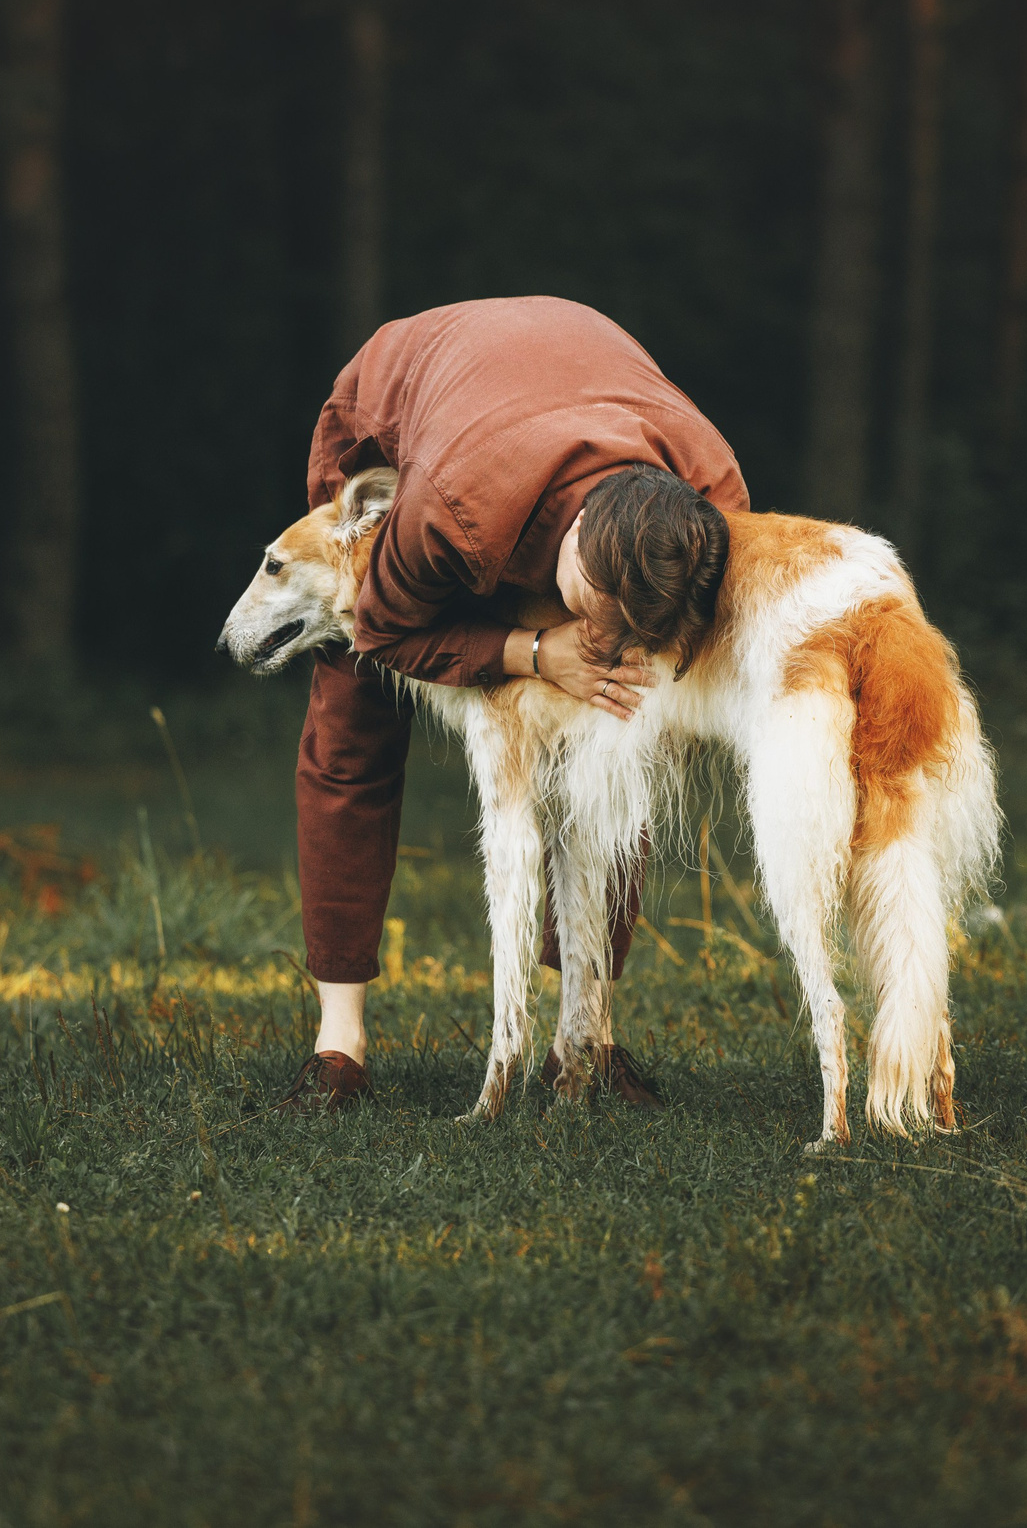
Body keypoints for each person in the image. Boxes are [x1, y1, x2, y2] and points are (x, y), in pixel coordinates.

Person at [277, 296, 747, 1113]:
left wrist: (604, 655)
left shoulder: (714, 500)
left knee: (616, 715)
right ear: (567, 548)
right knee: (354, 722)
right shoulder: (446, 513)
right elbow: (383, 632)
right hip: (402, 407)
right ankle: (338, 1045)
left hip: (570, 383)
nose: (600, 636)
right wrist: (528, 651)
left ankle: (588, 1036)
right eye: (592, 609)